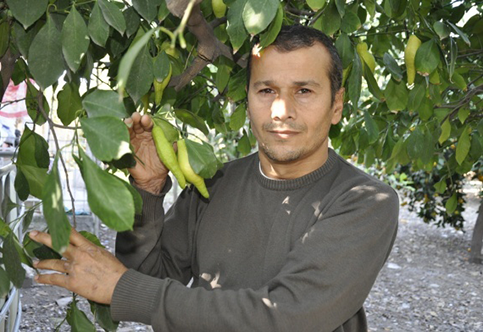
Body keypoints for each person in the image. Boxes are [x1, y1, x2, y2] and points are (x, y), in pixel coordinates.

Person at [30, 25, 399, 331]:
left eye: (304, 91)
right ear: (249, 99)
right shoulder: (216, 183)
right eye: (266, 90)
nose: (281, 110)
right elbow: (151, 277)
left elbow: (287, 316)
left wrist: (123, 288)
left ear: (336, 106)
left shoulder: (365, 201)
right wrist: (147, 191)